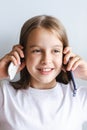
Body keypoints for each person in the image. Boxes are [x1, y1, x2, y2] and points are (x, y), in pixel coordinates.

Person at [0, 15, 87, 130]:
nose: (46, 60)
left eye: (55, 51)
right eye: (37, 51)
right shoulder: (5, 95)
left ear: (64, 55)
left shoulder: (79, 98)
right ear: (22, 53)